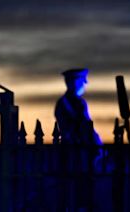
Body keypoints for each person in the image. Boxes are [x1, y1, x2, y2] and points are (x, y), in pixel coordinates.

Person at [54, 68, 103, 210]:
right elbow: (85, 125)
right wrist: (96, 143)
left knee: (76, 187)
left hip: (76, 150)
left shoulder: (67, 102)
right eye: (83, 80)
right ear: (75, 82)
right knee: (78, 187)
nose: (85, 83)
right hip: (77, 150)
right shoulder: (74, 103)